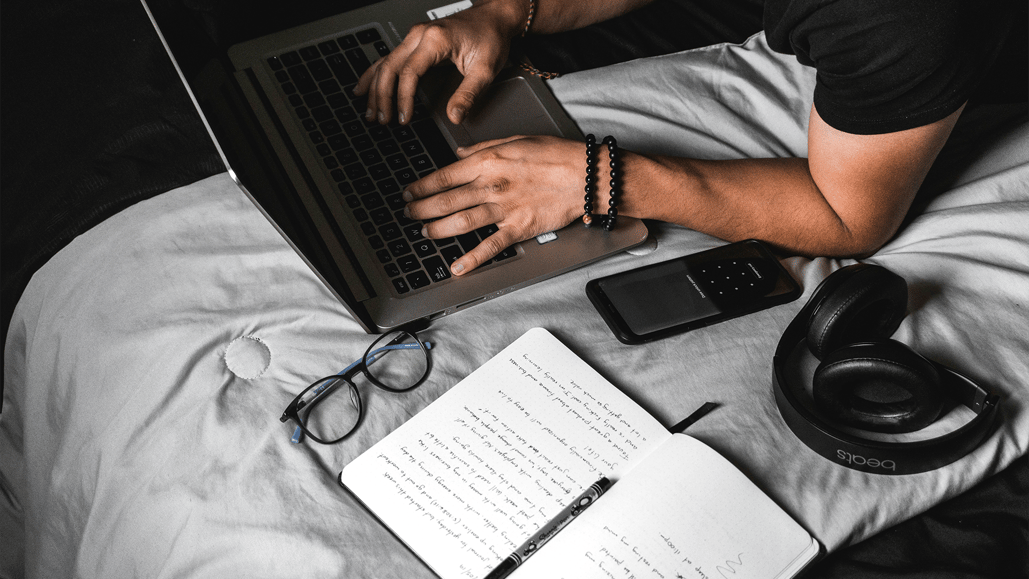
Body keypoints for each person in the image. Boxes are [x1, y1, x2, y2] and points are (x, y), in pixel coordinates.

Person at [355, 0, 1019, 276]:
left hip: (941, 83)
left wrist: (600, 179)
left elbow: (849, 219)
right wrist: (507, 11)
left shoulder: (901, 19)